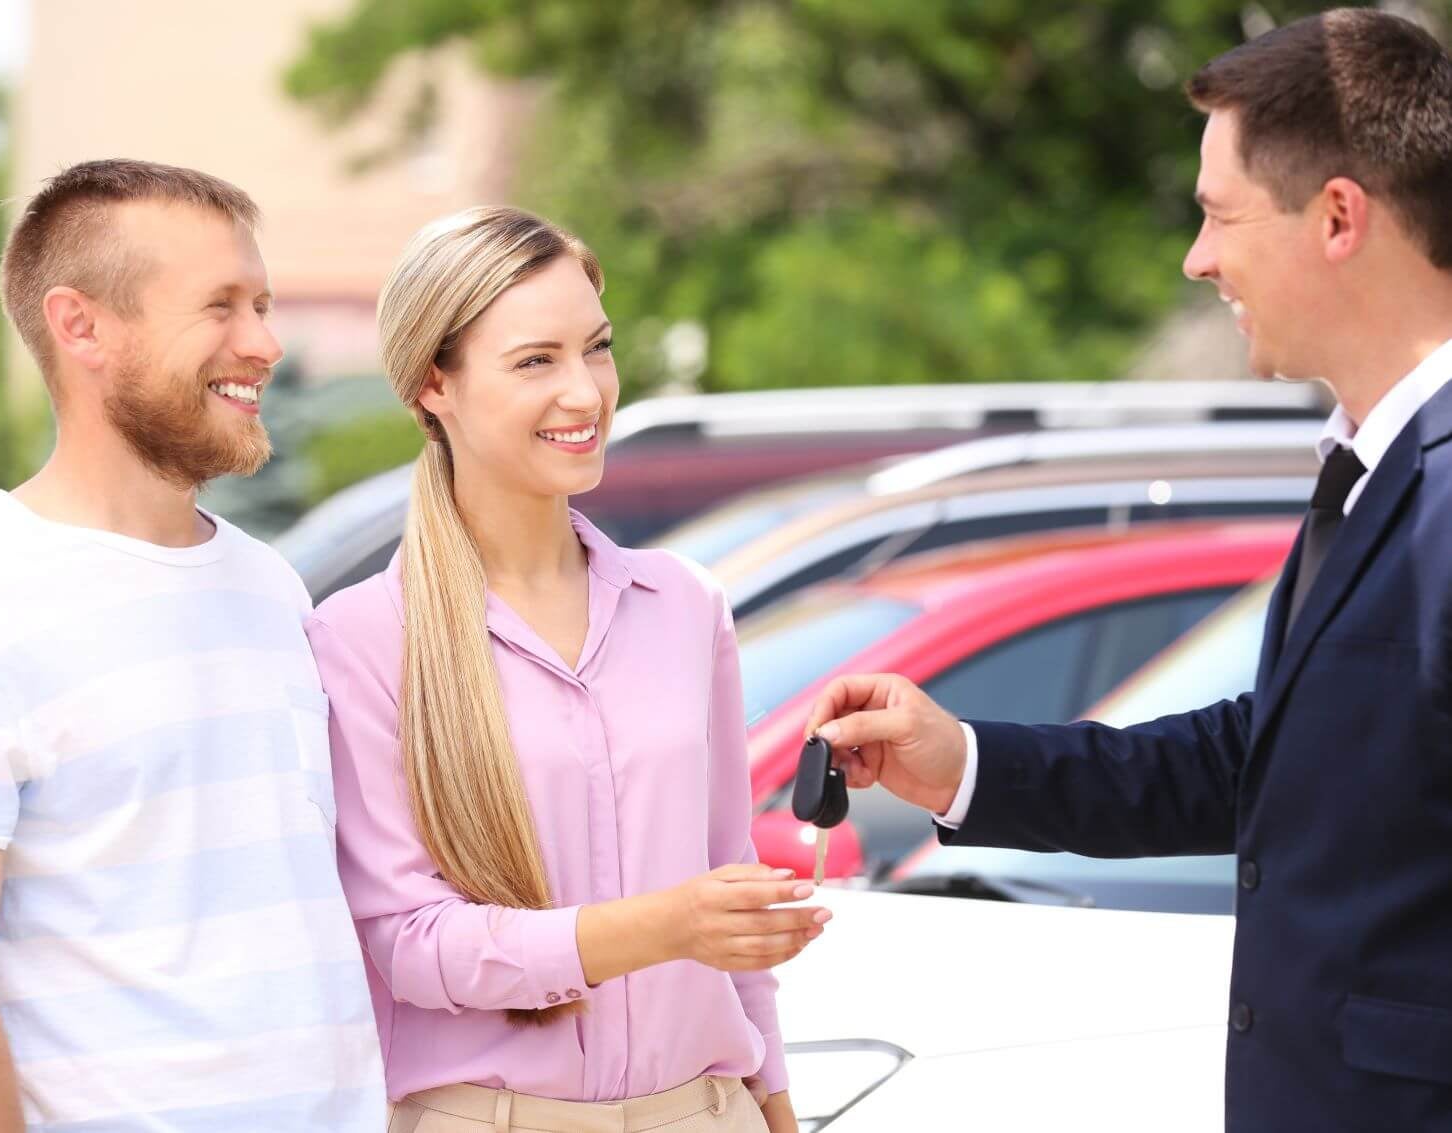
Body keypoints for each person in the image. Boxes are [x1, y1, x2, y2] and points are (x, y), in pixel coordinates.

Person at [805, 10, 1452, 1131]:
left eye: (1216, 214)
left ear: (1337, 216)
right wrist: (959, 761)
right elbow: (1264, 760)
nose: (1197, 257)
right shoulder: (1373, 461)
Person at [0, 159, 384, 1132]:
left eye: (261, 303)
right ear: (80, 325)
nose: (264, 342)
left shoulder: (268, 584)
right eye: (220, 306)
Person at [307, 207, 822, 1133]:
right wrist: (664, 926)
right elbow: (412, 947)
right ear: (435, 384)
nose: (585, 393)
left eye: (598, 348)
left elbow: (726, 874)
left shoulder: (683, 606)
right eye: (535, 360)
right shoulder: (362, 638)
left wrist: (778, 1110)